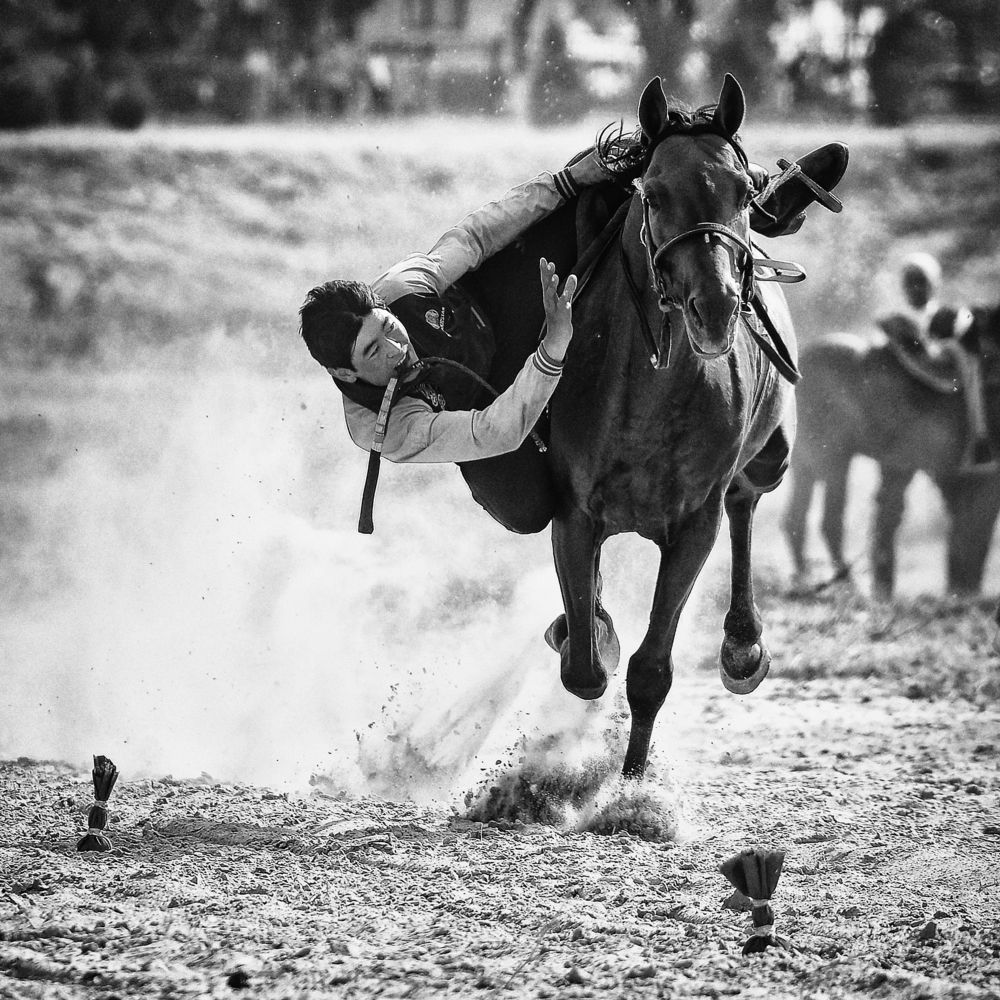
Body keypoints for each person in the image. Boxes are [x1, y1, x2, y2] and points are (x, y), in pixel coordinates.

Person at [300, 136, 848, 532]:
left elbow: (476, 235)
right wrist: (552, 352)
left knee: (591, 198)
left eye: (388, 327)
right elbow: (496, 431)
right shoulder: (383, 428)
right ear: (346, 374)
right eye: (375, 351)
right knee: (528, 513)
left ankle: (750, 206)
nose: (396, 346)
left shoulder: (404, 286)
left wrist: (569, 179)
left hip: (497, 315)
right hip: (483, 416)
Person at [891, 252, 994, 471]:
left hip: (950, 372)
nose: (915, 288)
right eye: (910, 283)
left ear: (933, 284)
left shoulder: (945, 316)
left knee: (969, 362)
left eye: (921, 282)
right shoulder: (896, 322)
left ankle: (979, 434)